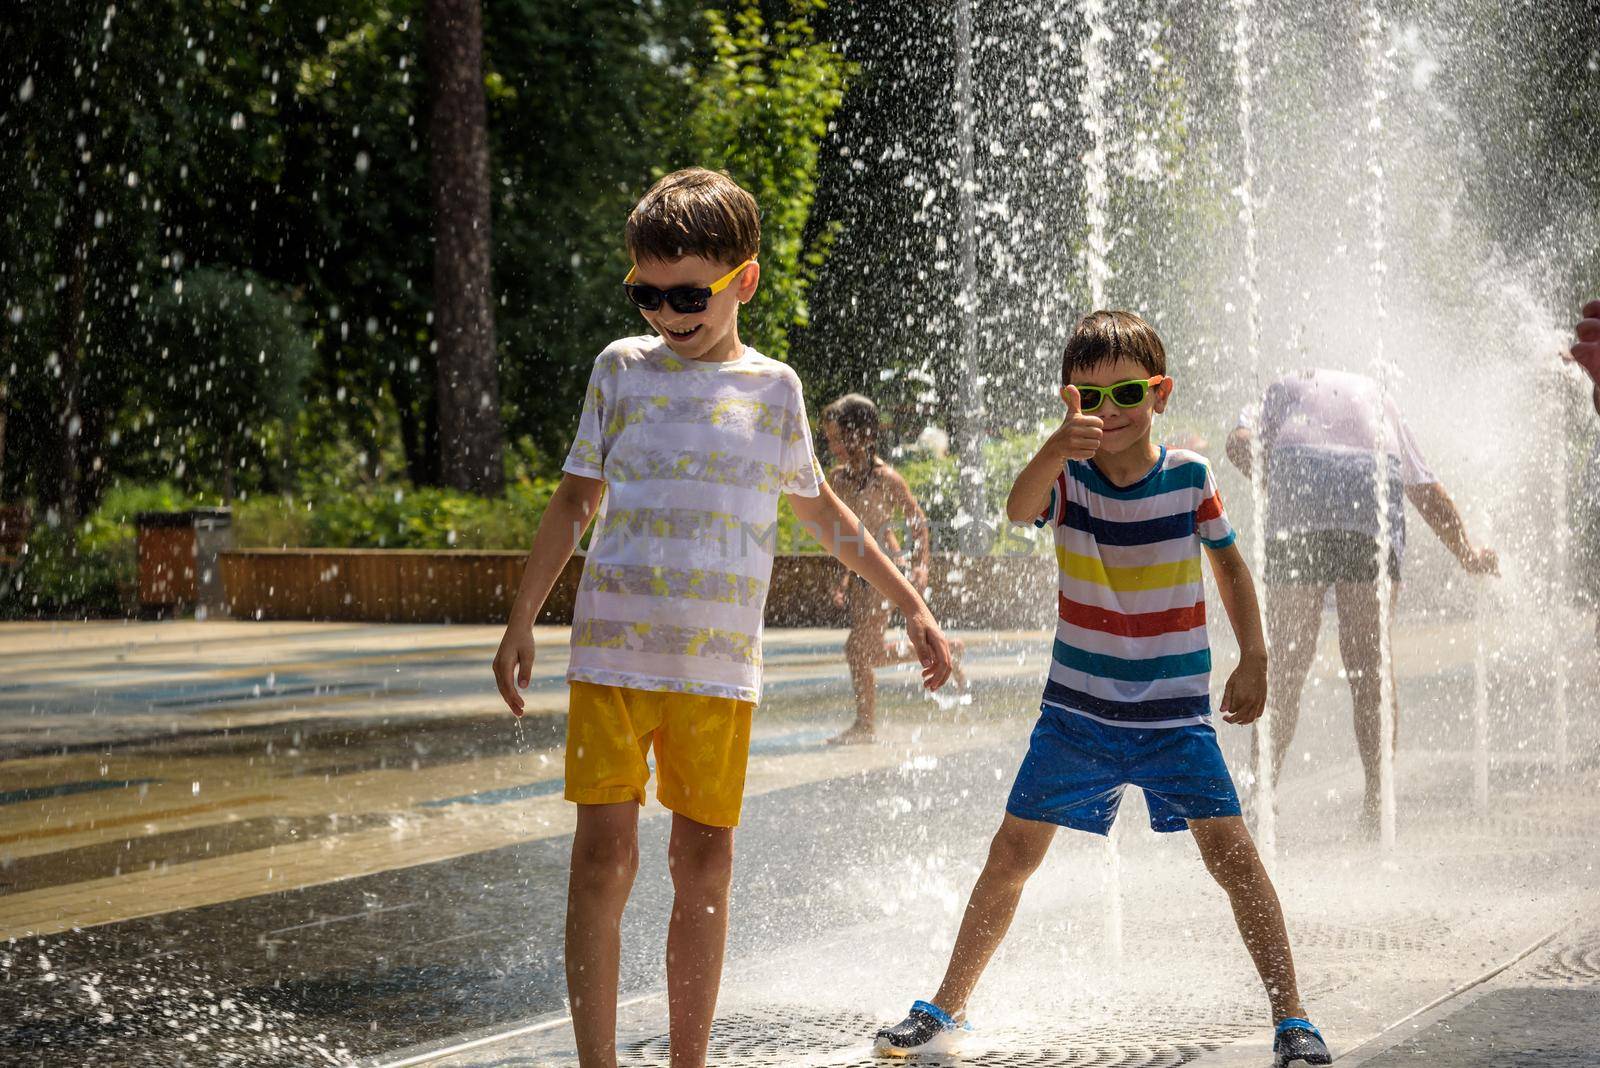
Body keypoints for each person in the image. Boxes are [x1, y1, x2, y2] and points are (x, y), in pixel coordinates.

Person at [490, 168, 953, 1068]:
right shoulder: (620, 370)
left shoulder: (774, 390)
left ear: (742, 280)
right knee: (602, 863)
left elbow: (826, 516)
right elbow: (572, 502)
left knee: (701, 871)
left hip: (717, 673)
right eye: (647, 293)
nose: (667, 312)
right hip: (613, 660)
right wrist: (521, 621)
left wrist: (914, 607)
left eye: (688, 293)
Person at [873, 311, 1330, 1068]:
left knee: (1235, 858)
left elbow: (1232, 570)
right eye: (1087, 399)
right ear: (1068, 403)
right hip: (1075, 717)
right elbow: (1018, 509)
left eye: (1124, 393)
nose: (1107, 413)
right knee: (1011, 854)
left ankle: (1292, 1018)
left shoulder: (1190, 478)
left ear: (1159, 392)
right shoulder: (1069, 482)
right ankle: (944, 1006)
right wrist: (1058, 444)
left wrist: (1255, 656)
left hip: (1174, 719)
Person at [1224, 369, 1496, 830]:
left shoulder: (1284, 386)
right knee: (1370, 664)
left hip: (1297, 477)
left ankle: (1260, 797)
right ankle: (1376, 804)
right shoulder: (1380, 398)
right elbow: (1424, 488)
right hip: (1370, 479)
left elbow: (1237, 442)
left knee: (1287, 664)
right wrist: (1468, 554)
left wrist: (1277, 483)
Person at [820, 393, 967, 744]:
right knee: (866, 651)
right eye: (829, 439)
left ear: (864, 436)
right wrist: (841, 578)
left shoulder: (886, 478)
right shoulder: (838, 479)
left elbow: (916, 520)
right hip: (859, 574)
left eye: (839, 438)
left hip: (886, 571)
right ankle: (945, 650)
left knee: (857, 649)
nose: (833, 446)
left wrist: (921, 566)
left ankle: (865, 726)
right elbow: (847, 534)